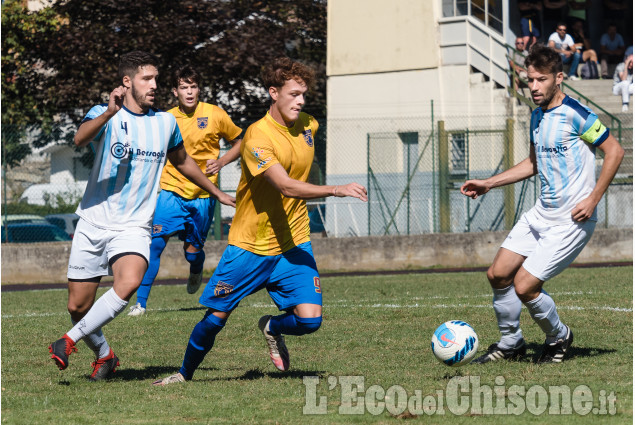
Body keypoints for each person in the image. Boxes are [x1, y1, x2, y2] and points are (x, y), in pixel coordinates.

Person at [152, 57, 368, 385]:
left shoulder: (309, 125)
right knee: (216, 318)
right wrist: (336, 189)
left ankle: (272, 326)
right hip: (251, 245)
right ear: (273, 93)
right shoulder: (257, 137)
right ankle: (184, 374)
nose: (301, 101)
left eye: (304, 94)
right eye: (294, 94)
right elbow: (285, 185)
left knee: (310, 321)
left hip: (293, 242)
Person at [47, 51, 236, 381]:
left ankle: (68, 340)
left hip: (134, 225)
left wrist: (217, 192)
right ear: (127, 82)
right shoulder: (105, 114)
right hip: (93, 221)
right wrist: (108, 113)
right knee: (77, 307)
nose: (154, 85)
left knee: (130, 281)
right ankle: (105, 356)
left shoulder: (165, 123)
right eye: (147, 79)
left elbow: (183, 161)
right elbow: (78, 139)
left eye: (156, 79)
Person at [460, 44, 624, 365]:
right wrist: (489, 183)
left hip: (572, 220)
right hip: (541, 213)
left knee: (524, 285)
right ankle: (511, 343)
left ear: (558, 78)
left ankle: (559, 337)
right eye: (529, 80)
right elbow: (533, 163)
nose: (533, 87)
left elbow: (615, 151)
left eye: (540, 80)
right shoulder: (536, 114)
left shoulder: (577, 114)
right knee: (498, 274)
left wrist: (593, 199)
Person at [127, 66, 243, 316]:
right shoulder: (165, 118)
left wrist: (222, 162)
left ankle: (196, 268)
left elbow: (241, 142)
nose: (189, 92)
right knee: (155, 245)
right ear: (175, 91)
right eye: (183, 87)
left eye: (193, 87)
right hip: (171, 192)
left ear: (199, 89)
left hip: (203, 196)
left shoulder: (215, 114)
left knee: (192, 253)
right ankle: (141, 303)